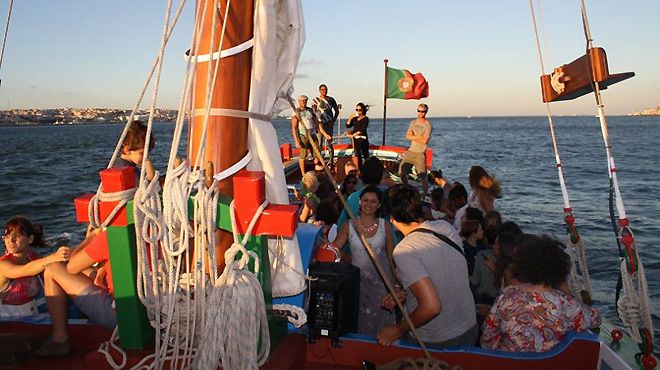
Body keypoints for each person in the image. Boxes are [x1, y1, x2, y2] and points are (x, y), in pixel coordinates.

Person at [34, 120, 156, 356]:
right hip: (153, 305)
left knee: (52, 270)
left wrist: (90, 239)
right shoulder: (152, 227)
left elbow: (70, 268)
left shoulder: (113, 234)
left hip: (124, 314)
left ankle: (60, 339)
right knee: (93, 271)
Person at [377, 185, 477, 348]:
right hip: (469, 328)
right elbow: (444, 271)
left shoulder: (404, 251)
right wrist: (405, 291)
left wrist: (398, 329)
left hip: (437, 339)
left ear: (392, 218)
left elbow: (432, 307)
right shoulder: (446, 228)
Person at [480, 234, 601, 352]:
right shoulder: (565, 304)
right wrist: (567, 292)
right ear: (558, 269)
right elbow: (596, 318)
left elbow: (487, 340)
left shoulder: (506, 297)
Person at [331, 185, 396, 336]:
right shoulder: (349, 225)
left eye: (373, 201)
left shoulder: (384, 226)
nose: (369, 204)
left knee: (383, 322)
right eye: (365, 200)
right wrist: (346, 259)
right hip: (358, 282)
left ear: (379, 205)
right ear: (359, 202)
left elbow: (391, 256)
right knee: (359, 320)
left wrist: (396, 285)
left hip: (382, 283)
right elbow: (334, 249)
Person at [1, 216, 70, 318]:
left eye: (18, 236)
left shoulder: (34, 259)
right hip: (5, 317)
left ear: (30, 239)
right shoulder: (3, 264)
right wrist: (52, 258)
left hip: (31, 313)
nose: (11, 241)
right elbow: (26, 270)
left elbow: (57, 271)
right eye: (7, 236)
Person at [453, 166, 501, 232]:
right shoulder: (475, 190)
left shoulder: (483, 192)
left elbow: (489, 210)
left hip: (477, 222)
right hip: (469, 219)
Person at [399, 104, 432, 194]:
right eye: (419, 111)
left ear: (426, 112)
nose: (421, 113)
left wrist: (413, 136)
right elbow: (407, 136)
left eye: (423, 111)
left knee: (422, 176)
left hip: (420, 153)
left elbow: (425, 141)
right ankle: (406, 188)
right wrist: (419, 137)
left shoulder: (428, 125)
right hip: (410, 151)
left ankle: (425, 194)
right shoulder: (413, 122)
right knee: (401, 172)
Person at [291, 95, 319, 177]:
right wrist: (296, 140)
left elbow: (314, 119)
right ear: (299, 102)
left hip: (312, 133)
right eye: (302, 101)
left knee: (316, 152)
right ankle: (303, 173)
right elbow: (294, 127)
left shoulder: (310, 110)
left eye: (305, 100)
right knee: (303, 154)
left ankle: (316, 171)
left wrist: (316, 127)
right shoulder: (296, 112)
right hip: (303, 134)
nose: (304, 102)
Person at [312, 84, 339, 164]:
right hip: (319, 123)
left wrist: (333, 120)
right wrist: (315, 124)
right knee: (319, 143)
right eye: (323, 89)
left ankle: (331, 161)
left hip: (328, 124)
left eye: (326, 89)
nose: (324, 91)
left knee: (329, 143)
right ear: (320, 90)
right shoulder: (316, 100)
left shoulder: (331, 99)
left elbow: (336, 110)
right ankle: (319, 161)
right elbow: (313, 113)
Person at [346, 102, 370, 169]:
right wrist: (350, 117)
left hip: (363, 139)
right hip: (355, 139)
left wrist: (354, 134)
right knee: (357, 155)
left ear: (363, 110)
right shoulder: (355, 119)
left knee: (365, 155)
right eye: (357, 110)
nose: (358, 111)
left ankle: (367, 168)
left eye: (360, 110)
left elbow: (363, 129)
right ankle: (359, 169)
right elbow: (348, 125)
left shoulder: (365, 119)